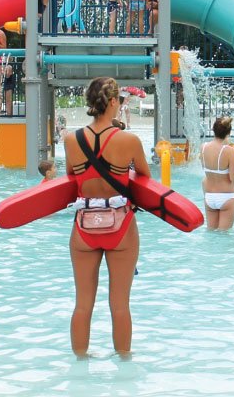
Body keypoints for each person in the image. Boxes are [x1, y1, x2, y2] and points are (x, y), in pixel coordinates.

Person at [64, 76, 151, 356]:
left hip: (84, 228)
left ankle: (79, 366)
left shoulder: (71, 140)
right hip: (121, 226)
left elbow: (71, 180)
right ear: (113, 101)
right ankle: (124, 366)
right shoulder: (128, 140)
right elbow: (144, 179)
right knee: (120, 304)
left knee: (82, 304)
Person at [200, 116, 234, 230]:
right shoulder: (229, 150)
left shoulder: (203, 147)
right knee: (224, 236)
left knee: (211, 233)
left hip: (209, 197)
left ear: (213, 130)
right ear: (228, 132)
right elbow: (233, 177)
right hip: (226, 197)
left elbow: (205, 170)